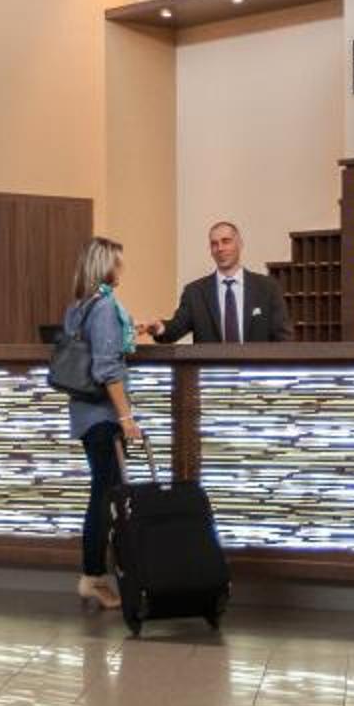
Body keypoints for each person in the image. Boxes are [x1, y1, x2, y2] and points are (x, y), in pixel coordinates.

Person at [58, 236, 145, 610]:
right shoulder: (106, 306)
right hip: (104, 416)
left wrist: (133, 331)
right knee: (105, 498)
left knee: (103, 494)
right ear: (106, 265)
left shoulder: (78, 306)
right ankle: (93, 576)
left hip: (83, 414)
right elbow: (107, 368)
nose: (122, 268)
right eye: (118, 262)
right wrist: (126, 417)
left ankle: (98, 575)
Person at [145, 219, 290, 345]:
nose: (220, 248)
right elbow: (175, 329)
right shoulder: (195, 292)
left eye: (226, 241)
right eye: (214, 244)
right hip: (210, 368)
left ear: (240, 244)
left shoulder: (267, 288)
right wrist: (159, 328)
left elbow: (284, 338)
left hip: (256, 368)